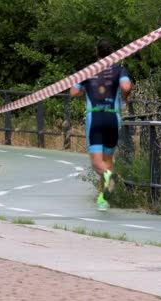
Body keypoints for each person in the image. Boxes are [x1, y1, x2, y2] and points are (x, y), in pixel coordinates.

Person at [70, 38, 132, 211]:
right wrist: (125, 96)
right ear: (111, 54)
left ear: (97, 53)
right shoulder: (119, 69)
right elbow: (126, 87)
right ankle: (104, 199)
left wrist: (86, 88)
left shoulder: (88, 71)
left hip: (95, 118)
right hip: (113, 118)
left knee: (98, 164)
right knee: (107, 160)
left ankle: (110, 178)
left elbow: (73, 91)